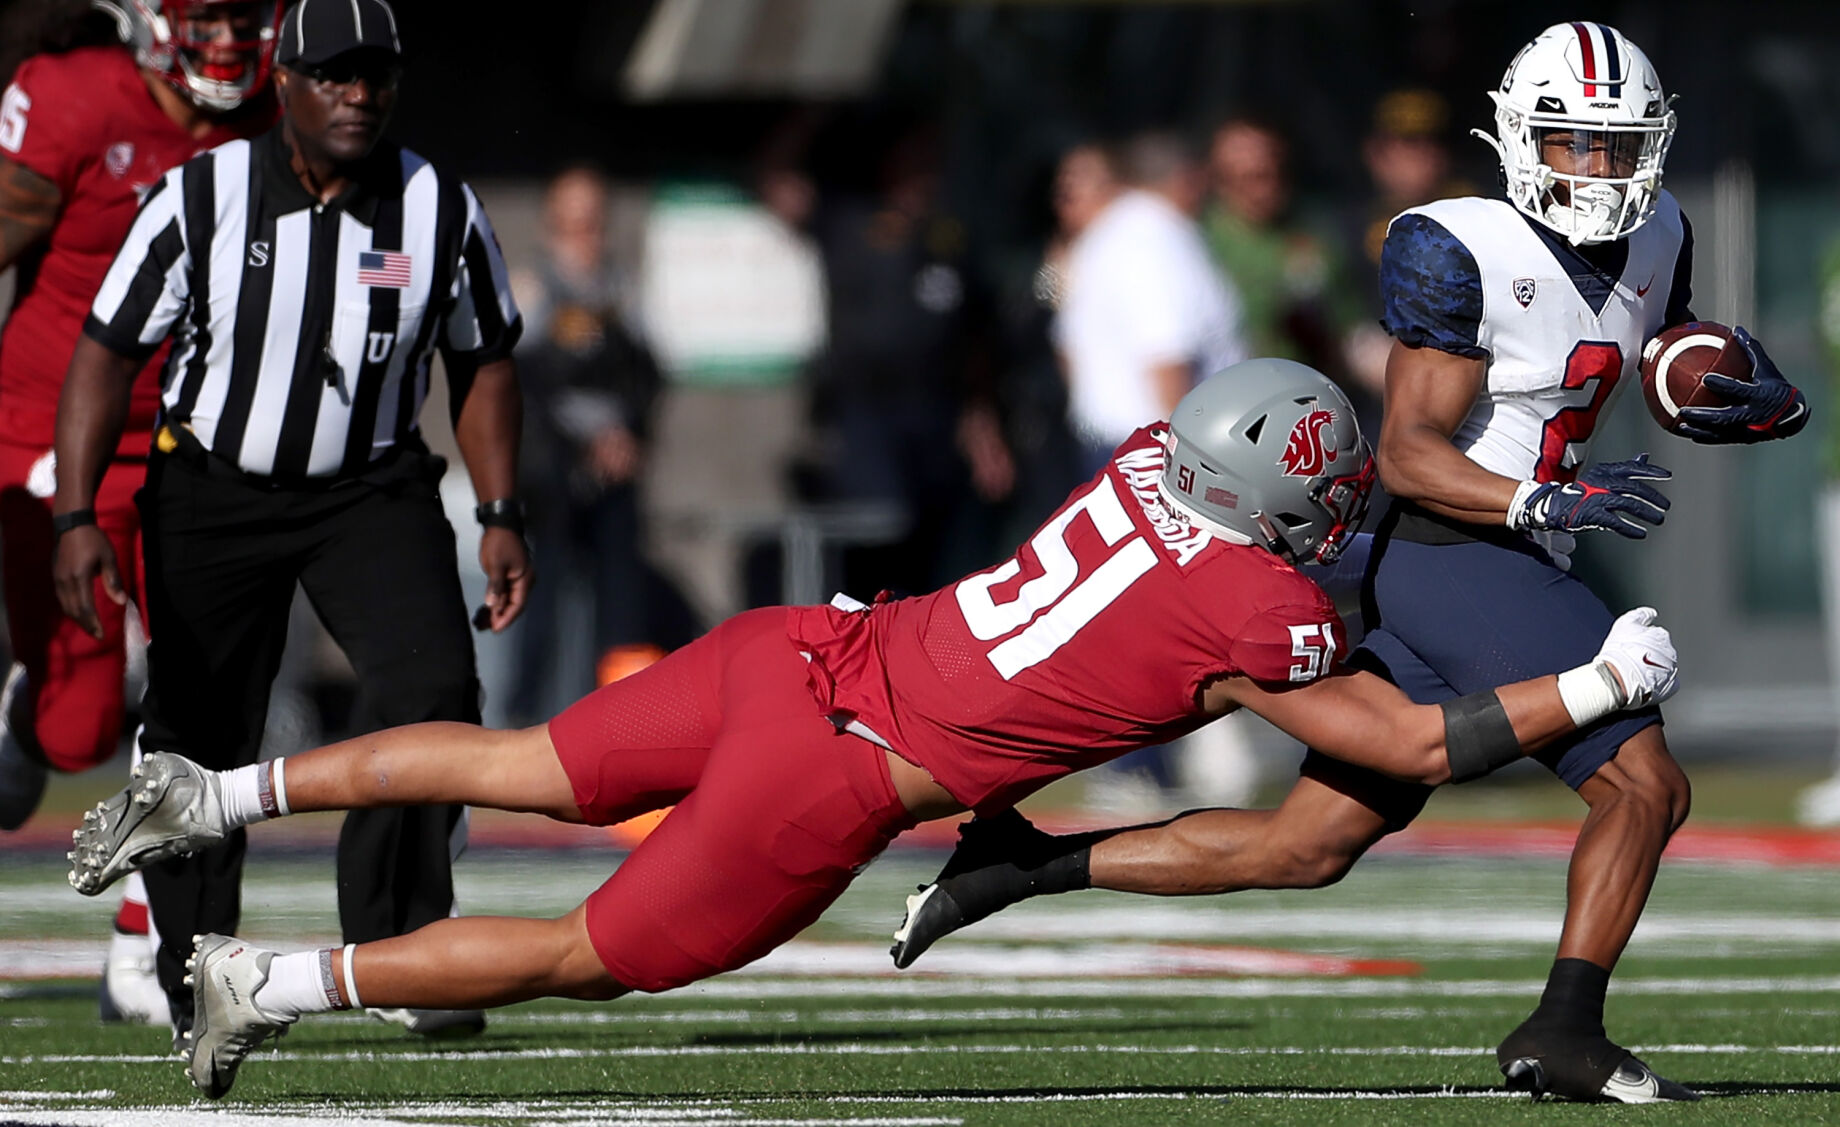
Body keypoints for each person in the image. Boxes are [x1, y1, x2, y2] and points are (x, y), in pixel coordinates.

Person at [65, 358, 1679, 1101]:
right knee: (582, 954)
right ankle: (267, 980)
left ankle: (210, 788)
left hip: (798, 645)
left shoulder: (1142, 455)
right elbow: (1408, 746)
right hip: (832, 773)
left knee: (520, 761)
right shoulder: (1252, 609)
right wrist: (1600, 683)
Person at [888, 23, 1810, 1105]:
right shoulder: (1463, 246)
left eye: (1618, 146)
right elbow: (1409, 454)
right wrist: (1542, 497)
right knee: (1645, 784)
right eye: (1574, 143)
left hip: (1492, 553)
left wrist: (1749, 392)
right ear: (1521, 139)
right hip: (1460, 547)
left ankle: (1016, 865)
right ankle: (1566, 1029)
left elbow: (1665, 345)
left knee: (1306, 846)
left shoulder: (1664, 228)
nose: (1599, 171)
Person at [51, 0, 530, 1040]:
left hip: (369, 487)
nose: (359, 95)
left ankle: (401, 951)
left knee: (431, 690)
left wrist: (499, 509)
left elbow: (484, 356)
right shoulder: (203, 194)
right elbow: (106, 349)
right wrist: (76, 513)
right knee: (200, 729)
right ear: (284, 82)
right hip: (212, 487)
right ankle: (191, 967)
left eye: (377, 76)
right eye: (335, 75)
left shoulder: (437, 205)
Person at [0, 0, 282, 1024]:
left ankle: (148, 936)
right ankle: (28, 720)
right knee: (78, 728)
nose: (229, 42)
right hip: (53, 428)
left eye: (245, 17)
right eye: (207, 16)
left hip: (195, 439)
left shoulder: (290, 107)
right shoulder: (73, 98)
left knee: (204, 695)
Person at [506, 166, 666, 721]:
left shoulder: (621, 290)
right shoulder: (532, 289)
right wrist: (583, 443)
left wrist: (628, 438)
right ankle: (525, 721)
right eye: (572, 225)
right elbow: (523, 387)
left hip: (616, 470)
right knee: (542, 599)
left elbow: (648, 377)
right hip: (553, 474)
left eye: (593, 223)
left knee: (622, 603)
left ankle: (625, 720)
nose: (584, 237)